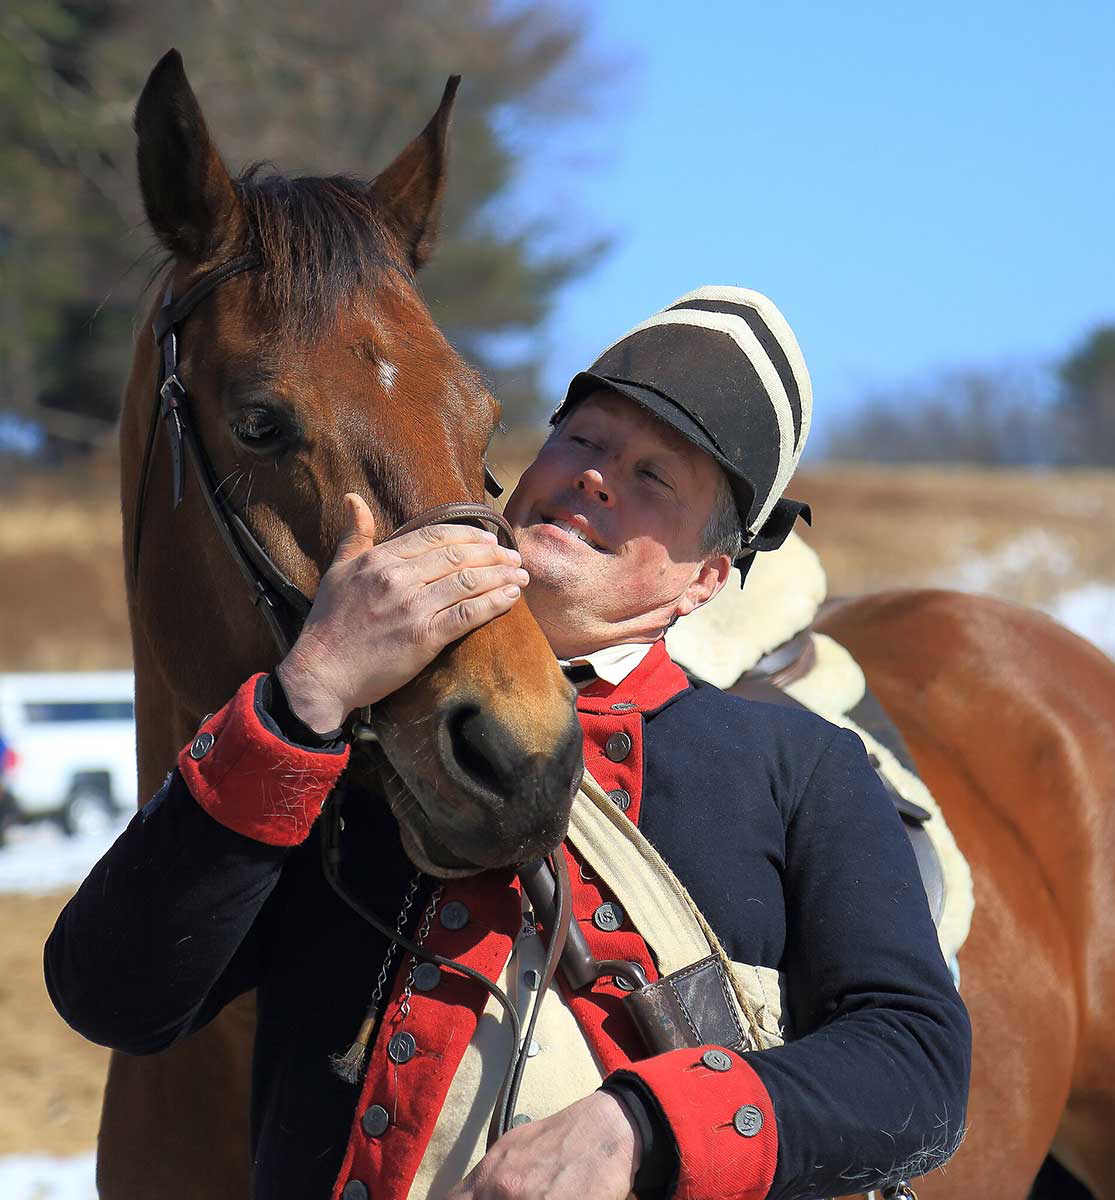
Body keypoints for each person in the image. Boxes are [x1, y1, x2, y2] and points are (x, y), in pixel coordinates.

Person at [45, 286, 970, 1200]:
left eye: (655, 477)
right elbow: (112, 994)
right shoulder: (346, 732)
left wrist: (641, 1127)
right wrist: (310, 693)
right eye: (586, 441)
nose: (599, 475)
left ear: (704, 579)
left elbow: (917, 1066)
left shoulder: (800, 767)